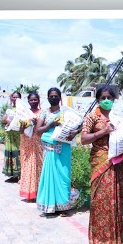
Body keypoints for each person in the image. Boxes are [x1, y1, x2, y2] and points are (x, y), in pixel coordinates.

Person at [80, 85, 123, 244]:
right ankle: (100, 240)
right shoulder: (91, 117)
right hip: (101, 162)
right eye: (103, 98)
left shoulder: (118, 117)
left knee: (116, 200)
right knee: (100, 200)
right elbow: (83, 139)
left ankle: (116, 240)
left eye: (109, 98)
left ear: (113, 100)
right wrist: (103, 131)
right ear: (97, 99)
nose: (106, 101)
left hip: (117, 161)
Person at [35, 87, 79, 218]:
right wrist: (51, 124)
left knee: (64, 176)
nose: (53, 98)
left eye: (56, 96)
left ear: (60, 98)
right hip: (50, 147)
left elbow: (80, 123)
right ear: (48, 98)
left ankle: (63, 206)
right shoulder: (44, 113)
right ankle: (49, 205)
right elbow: (38, 131)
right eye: (51, 96)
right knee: (50, 176)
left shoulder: (66, 113)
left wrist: (75, 132)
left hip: (64, 147)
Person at [18, 92, 44, 203]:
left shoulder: (42, 113)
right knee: (27, 166)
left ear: (39, 100)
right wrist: (24, 125)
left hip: (38, 142)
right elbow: (19, 130)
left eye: (35, 100)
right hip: (26, 142)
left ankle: (38, 192)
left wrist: (37, 122)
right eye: (31, 100)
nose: (33, 102)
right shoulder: (24, 113)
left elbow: (44, 128)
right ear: (28, 101)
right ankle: (28, 192)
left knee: (38, 166)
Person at [1, 91, 22, 183]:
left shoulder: (22, 110)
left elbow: (19, 123)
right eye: (13, 97)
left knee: (17, 154)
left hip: (16, 136)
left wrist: (9, 122)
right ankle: (13, 176)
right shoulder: (10, 109)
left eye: (17, 97)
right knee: (10, 154)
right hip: (9, 135)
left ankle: (20, 176)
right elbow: (3, 119)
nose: (15, 99)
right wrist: (7, 121)